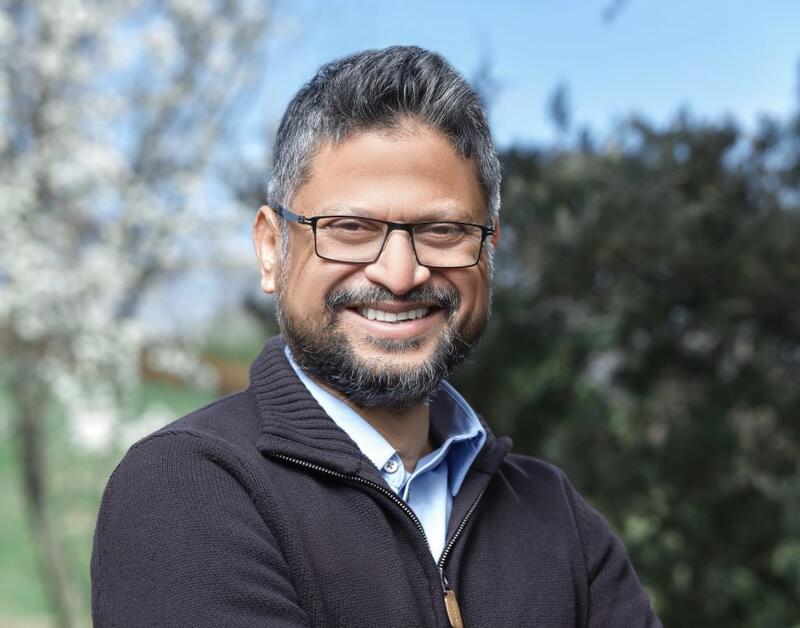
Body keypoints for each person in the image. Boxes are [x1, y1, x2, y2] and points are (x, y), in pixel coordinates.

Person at [91, 46, 662, 627]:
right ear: (271, 250)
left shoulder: (553, 514)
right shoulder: (187, 490)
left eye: (441, 230)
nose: (399, 274)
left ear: (489, 249)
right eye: (351, 228)